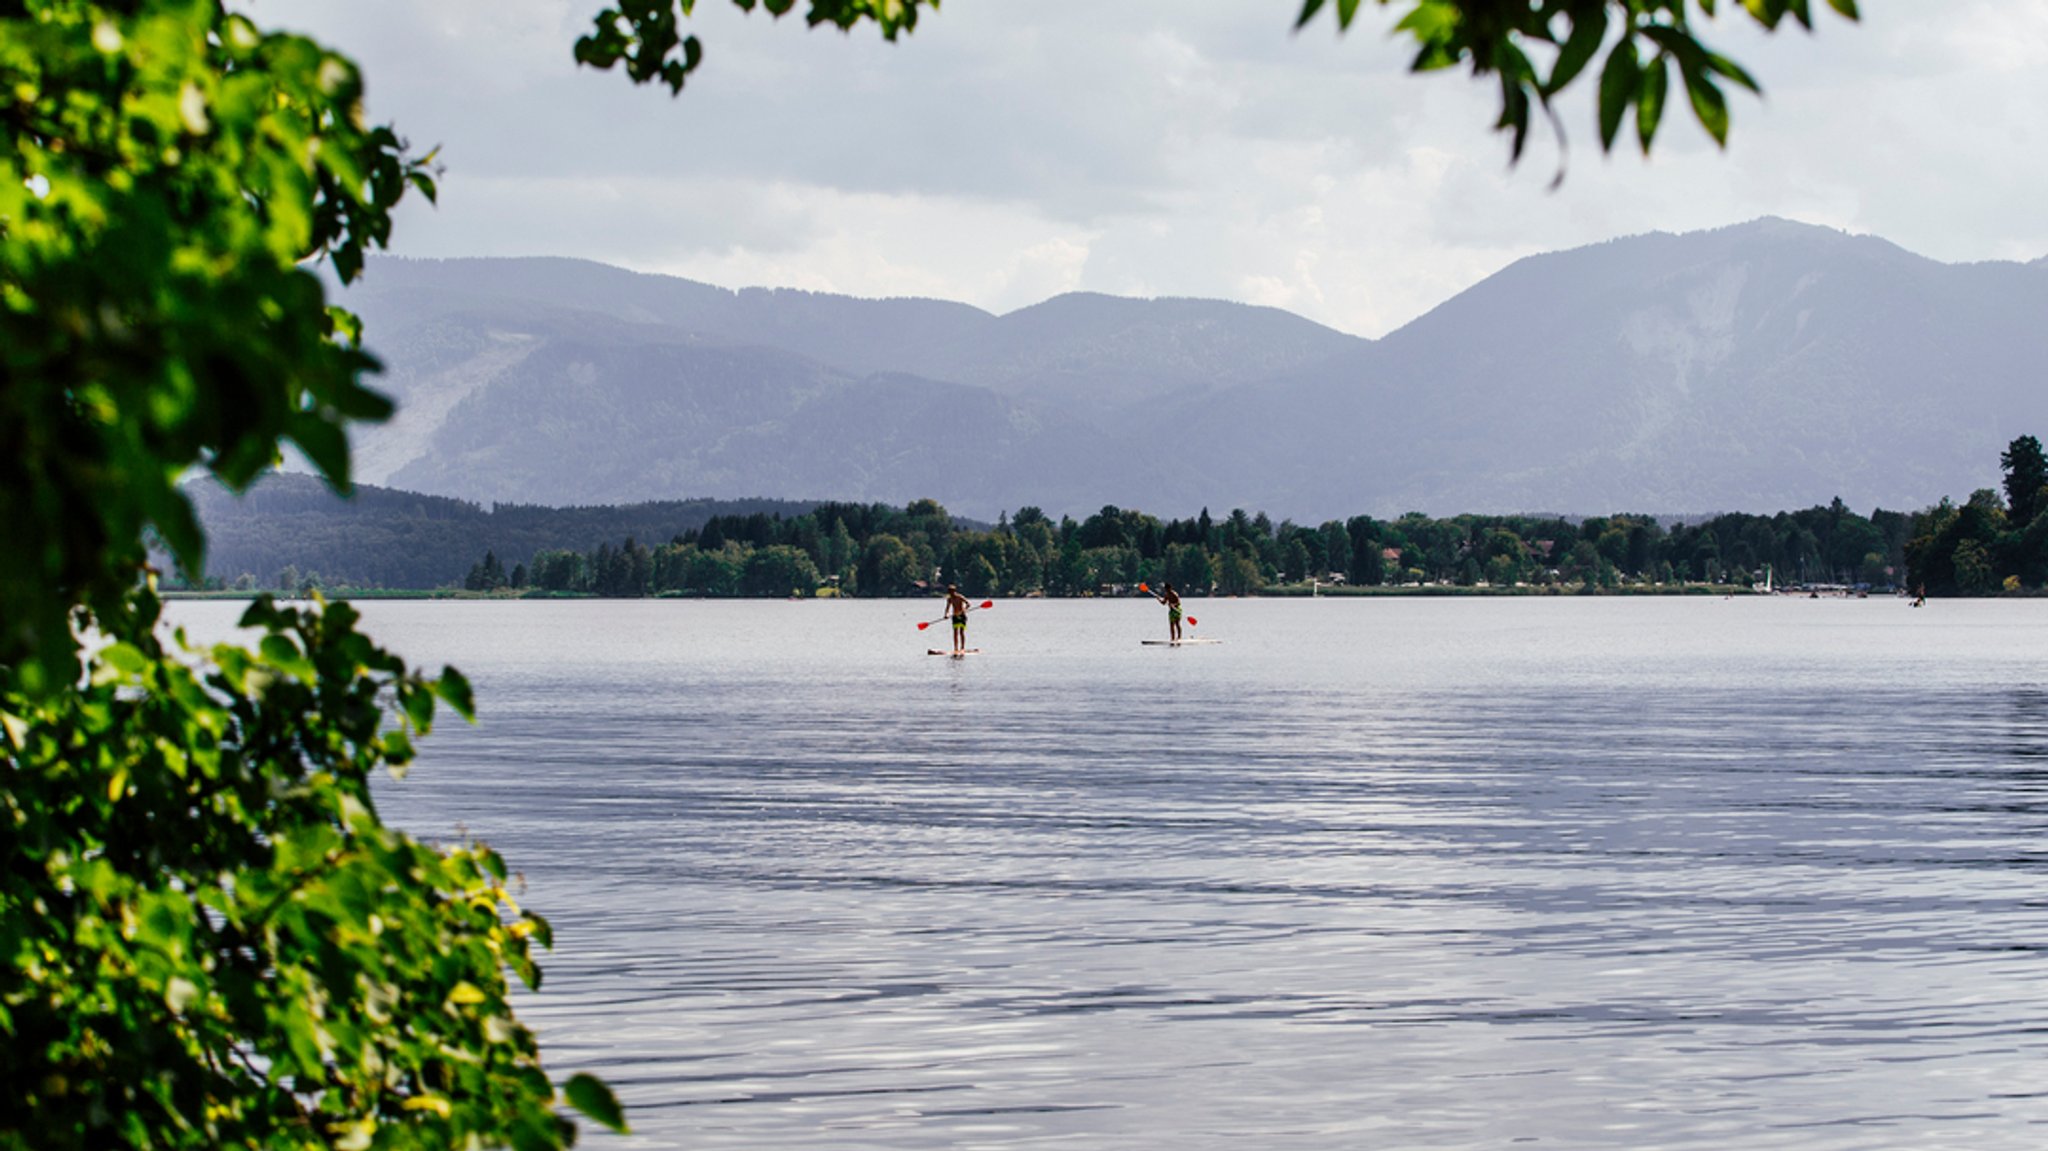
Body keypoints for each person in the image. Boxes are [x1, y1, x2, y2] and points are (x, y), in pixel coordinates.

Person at [942, 584, 971, 653]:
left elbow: (968, 604)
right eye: (949, 592)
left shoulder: (960, 597)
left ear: (954, 591)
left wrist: (964, 609)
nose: (950, 593)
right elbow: (947, 608)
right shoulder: (949, 599)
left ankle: (962, 648)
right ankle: (955, 648)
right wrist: (946, 614)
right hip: (955, 616)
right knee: (955, 632)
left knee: (961, 632)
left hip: (962, 616)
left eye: (951, 591)